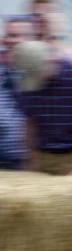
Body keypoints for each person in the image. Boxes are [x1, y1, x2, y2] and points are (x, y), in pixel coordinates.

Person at [14, 41, 72, 175]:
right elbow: (29, 123)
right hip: (44, 155)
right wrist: (30, 158)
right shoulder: (28, 82)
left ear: (49, 62)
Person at [0, 17, 33, 170]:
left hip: (24, 157)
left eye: (15, 35)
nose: (9, 41)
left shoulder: (38, 73)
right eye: (8, 35)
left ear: (30, 40)